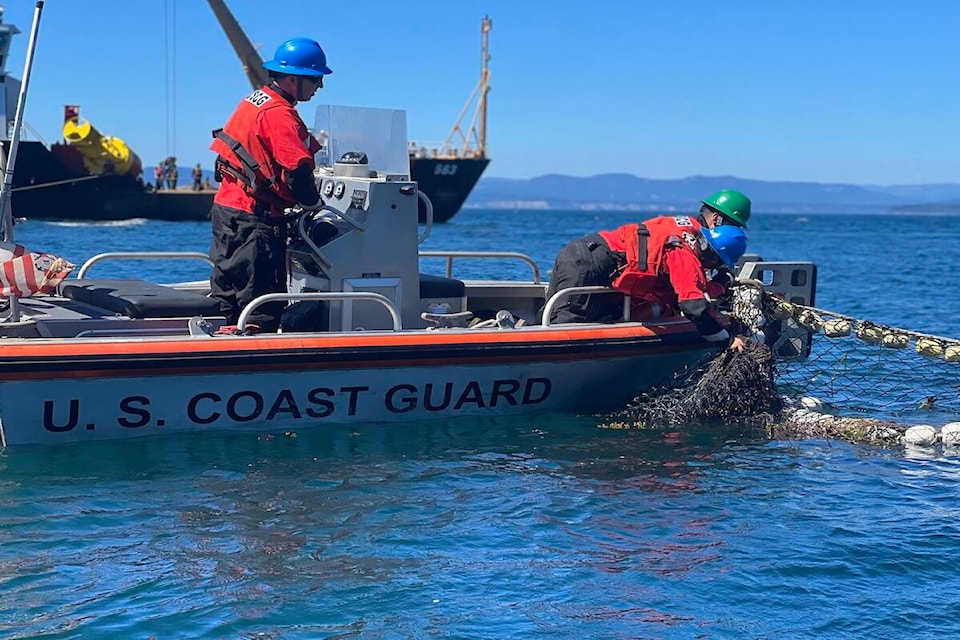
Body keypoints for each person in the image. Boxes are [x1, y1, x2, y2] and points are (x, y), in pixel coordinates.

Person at [208, 37, 331, 331]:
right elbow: (297, 171)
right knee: (262, 298)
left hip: (228, 210)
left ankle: (224, 340)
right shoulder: (279, 114)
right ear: (292, 80)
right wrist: (314, 204)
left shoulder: (254, 101)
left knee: (229, 286)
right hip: (255, 218)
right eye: (314, 79)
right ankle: (257, 355)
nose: (319, 87)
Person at [543, 214, 748, 347]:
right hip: (591, 262)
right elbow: (693, 305)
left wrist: (720, 285)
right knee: (566, 325)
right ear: (713, 257)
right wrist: (725, 340)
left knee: (551, 315)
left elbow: (689, 288)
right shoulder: (685, 257)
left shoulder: (681, 235)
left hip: (586, 251)